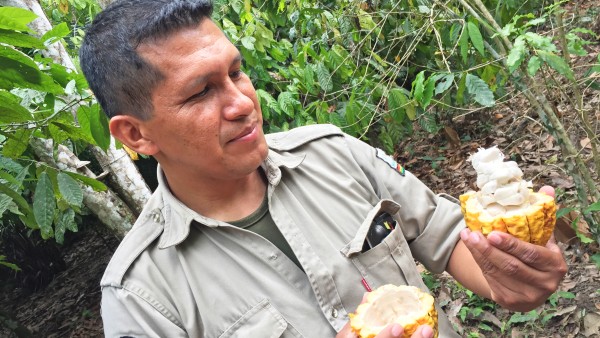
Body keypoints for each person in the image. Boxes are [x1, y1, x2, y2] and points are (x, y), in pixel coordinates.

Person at [79, 0, 567, 337]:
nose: (242, 103)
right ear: (136, 135)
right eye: (201, 92)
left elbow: (446, 238)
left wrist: (510, 280)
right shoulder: (142, 295)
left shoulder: (334, 153)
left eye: (235, 72)